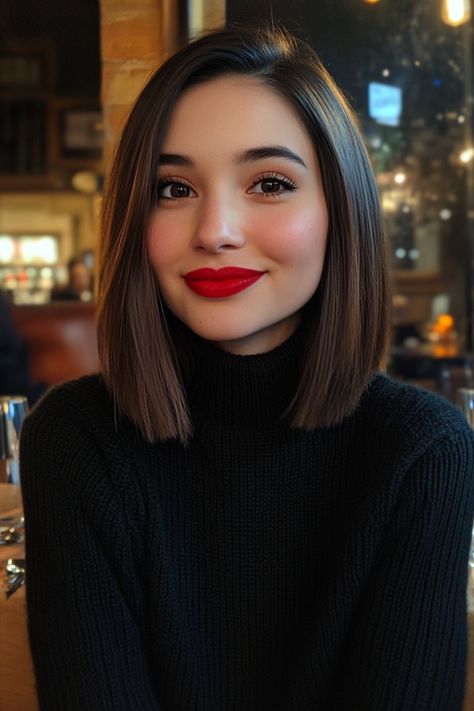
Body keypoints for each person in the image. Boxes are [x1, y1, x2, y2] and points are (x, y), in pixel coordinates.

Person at [20, 25, 474, 711]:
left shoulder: (422, 452)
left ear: (338, 213)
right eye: (173, 188)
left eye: (269, 182)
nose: (216, 230)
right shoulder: (76, 441)